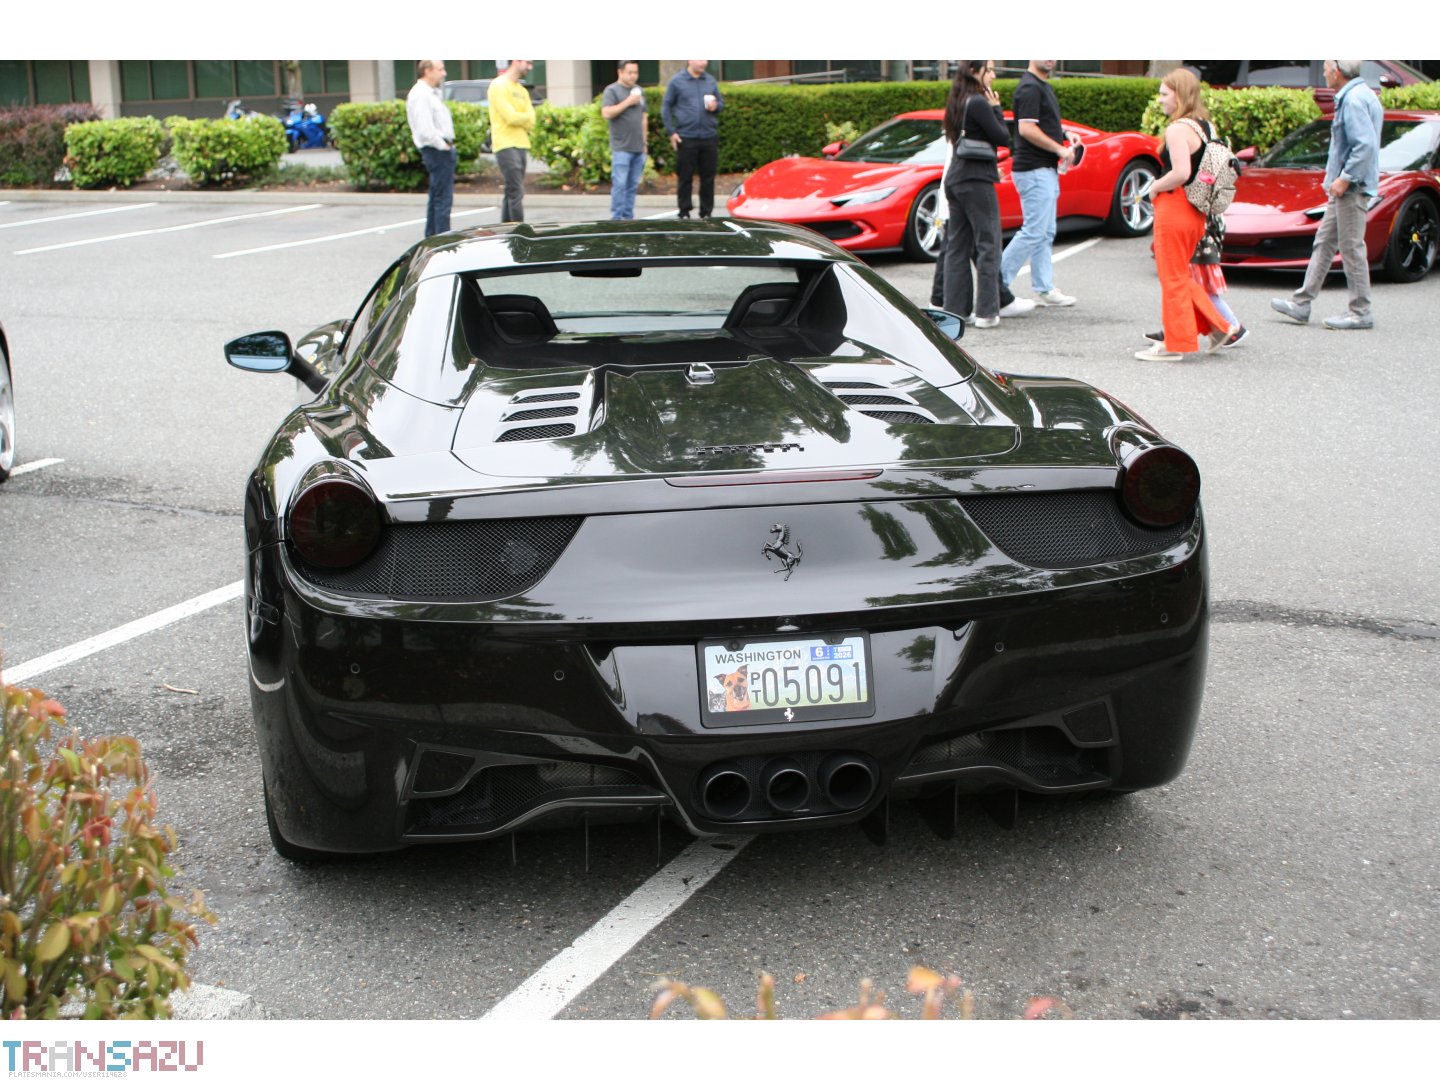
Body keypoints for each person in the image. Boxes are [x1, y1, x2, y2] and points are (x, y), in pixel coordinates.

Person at [1134, 68, 1241, 361]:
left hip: (1176, 205)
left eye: (1164, 94)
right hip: (1196, 210)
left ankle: (1175, 345)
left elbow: (1181, 172)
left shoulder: (1177, 129)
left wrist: (1154, 186)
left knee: (1173, 279)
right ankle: (1220, 327)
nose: (1160, 100)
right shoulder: (1204, 126)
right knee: (1180, 276)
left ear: (1179, 95)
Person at [1271, 60, 1383, 330]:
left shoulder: (1353, 99)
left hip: (1351, 188)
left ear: (1339, 72)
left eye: (1326, 68)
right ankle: (1302, 303)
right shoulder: (1363, 94)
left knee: (1351, 248)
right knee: (1324, 242)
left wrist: (1345, 178)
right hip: (1346, 187)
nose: (1323, 73)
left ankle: (1360, 312)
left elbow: (1364, 146)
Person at [939, 61, 1012, 328]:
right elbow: (1002, 136)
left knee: (957, 247)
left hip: (956, 178)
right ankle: (986, 312)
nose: (993, 75)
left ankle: (955, 313)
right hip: (976, 180)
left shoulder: (957, 100)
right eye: (989, 69)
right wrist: (997, 109)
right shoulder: (980, 102)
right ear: (974, 71)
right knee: (989, 244)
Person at [999, 60, 1077, 307]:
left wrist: (1064, 133)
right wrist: (1060, 149)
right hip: (1033, 170)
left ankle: (1044, 288)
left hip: (1043, 169)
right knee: (1034, 231)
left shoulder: (1042, 86)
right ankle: (995, 287)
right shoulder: (1030, 88)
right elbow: (1026, 128)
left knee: (1044, 232)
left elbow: (1041, 122)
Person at [1143, 214, 1248, 348]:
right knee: (1189, 290)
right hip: (1197, 237)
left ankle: (1233, 327)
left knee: (1199, 291)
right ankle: (1173, 331)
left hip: (1199, 241)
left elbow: (1198, 200)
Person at [662, 60, 723, 219]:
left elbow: (720, 103)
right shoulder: (677, 81)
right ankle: (684, 212)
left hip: (708, 136)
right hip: (686, 136)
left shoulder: (710, 80)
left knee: (708, 178)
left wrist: (716, 106)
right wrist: (671, 132)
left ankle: (706, 212)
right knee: (685, 177)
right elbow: (666, 106)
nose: (704, 62)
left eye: (705, 59)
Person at [405, 60, 455, 238]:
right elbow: (425, 130)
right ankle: (441, 242)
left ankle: (434, 239)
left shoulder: (430, 93)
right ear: (427, 71)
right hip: (436, 150)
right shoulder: (421, 94)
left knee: (437, 197)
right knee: (442, 199)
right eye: (440, 69)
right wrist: (443, 145)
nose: (444, 73)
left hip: (439, 149)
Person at [488, 60, 536, 222]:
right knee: (516, 191)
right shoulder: (499, 86)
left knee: (511, 191)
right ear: (517, 60)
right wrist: (522, 117)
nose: (530, 67)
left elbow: (532, 121)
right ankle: (519, 233)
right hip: (505, 144)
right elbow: (510, 117)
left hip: (522, 143)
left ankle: (506, 233)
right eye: (528, 62)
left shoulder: (522, 90)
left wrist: (520, 118)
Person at [601, 61, 648, 221]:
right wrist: (628, 101)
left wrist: (645, 142)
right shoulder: (612, 90)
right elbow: (606, 113)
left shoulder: (639, 91)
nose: (633, 76)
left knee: (632, 185)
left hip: (638, 147)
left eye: (636, 72)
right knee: (620, 184)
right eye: (630, 72)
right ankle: (616, 219)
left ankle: (628, 219)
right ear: (620, 72)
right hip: (621, 147)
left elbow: (644, 117)